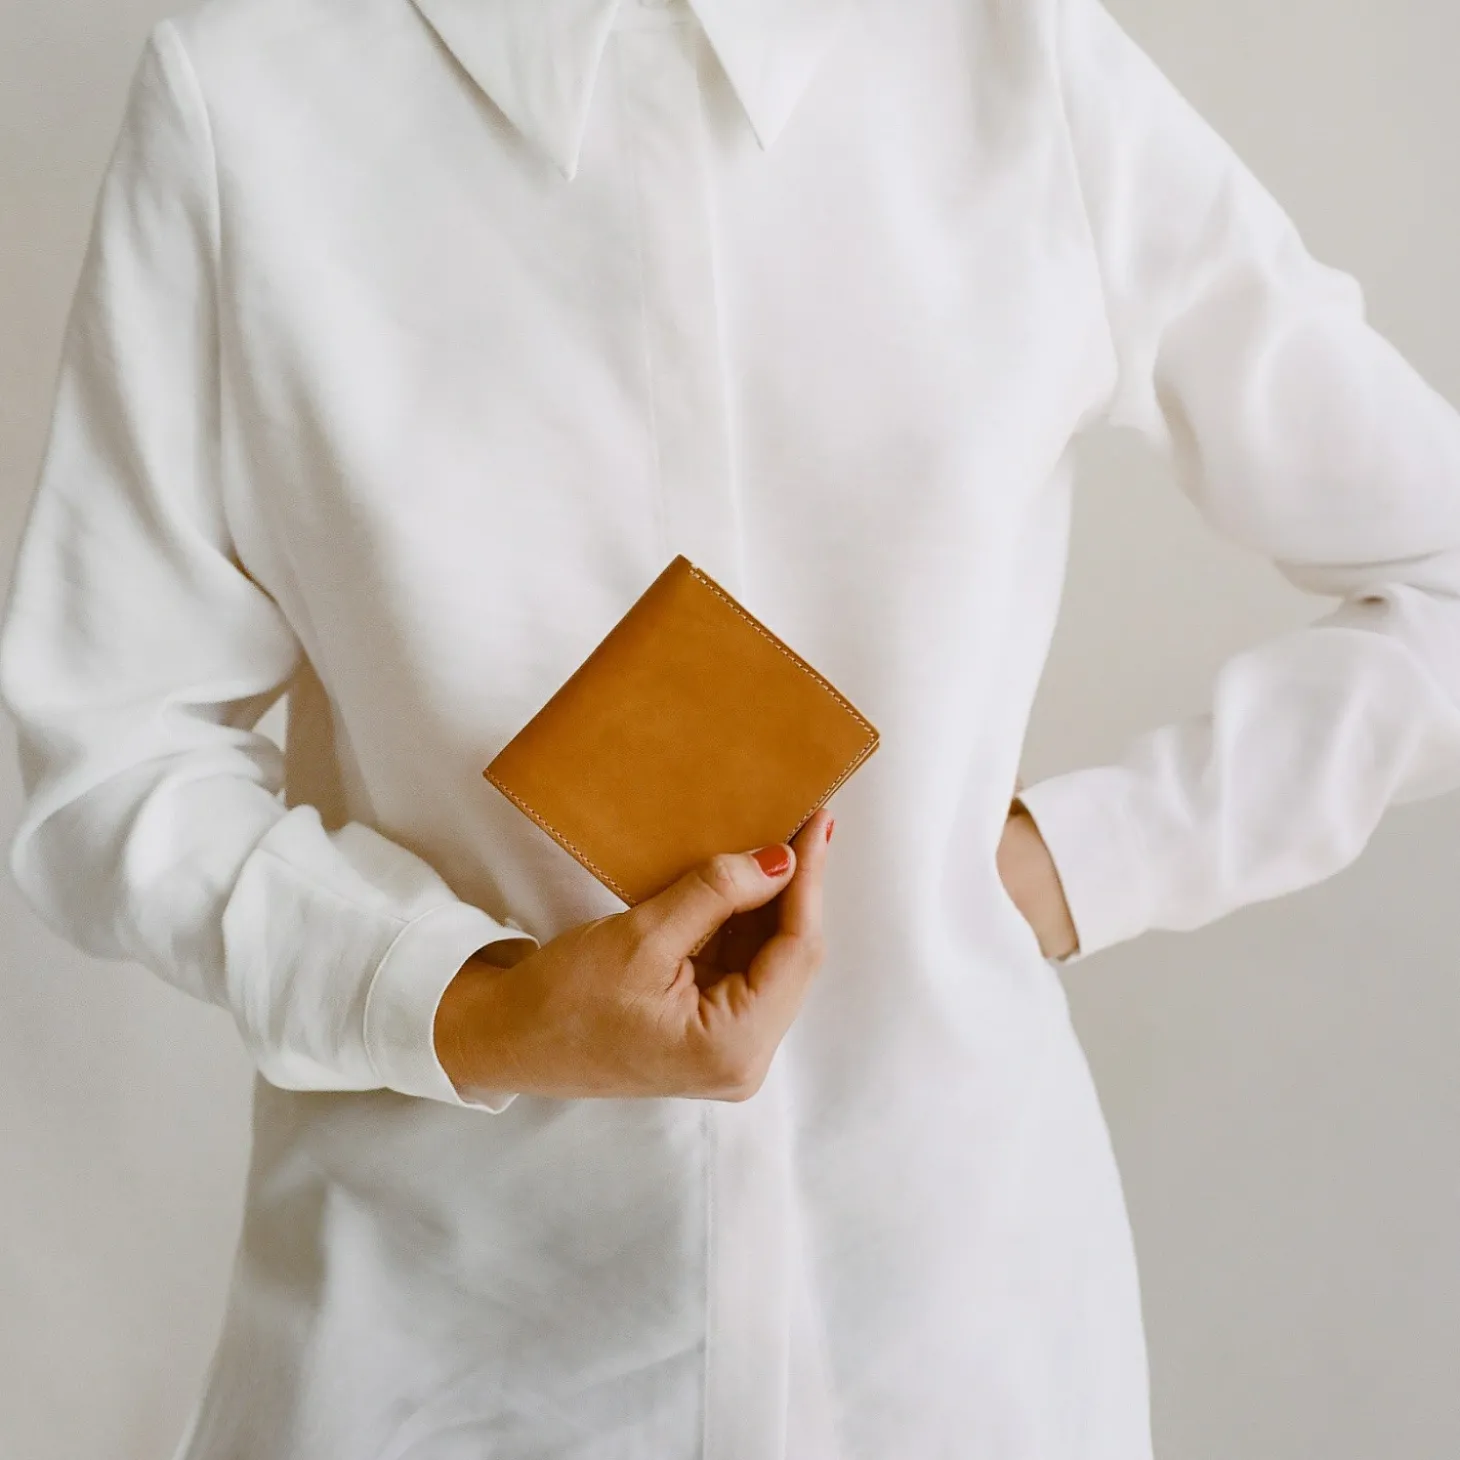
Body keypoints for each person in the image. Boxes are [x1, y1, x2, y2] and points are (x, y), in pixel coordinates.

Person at [3, 0, 1458, 1455]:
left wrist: (1070, 866)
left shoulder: (1018, 59)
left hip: (955, 1361)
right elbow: (105, 750)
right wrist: (471, 1004)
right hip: (436, 1368)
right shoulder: (249, 100)